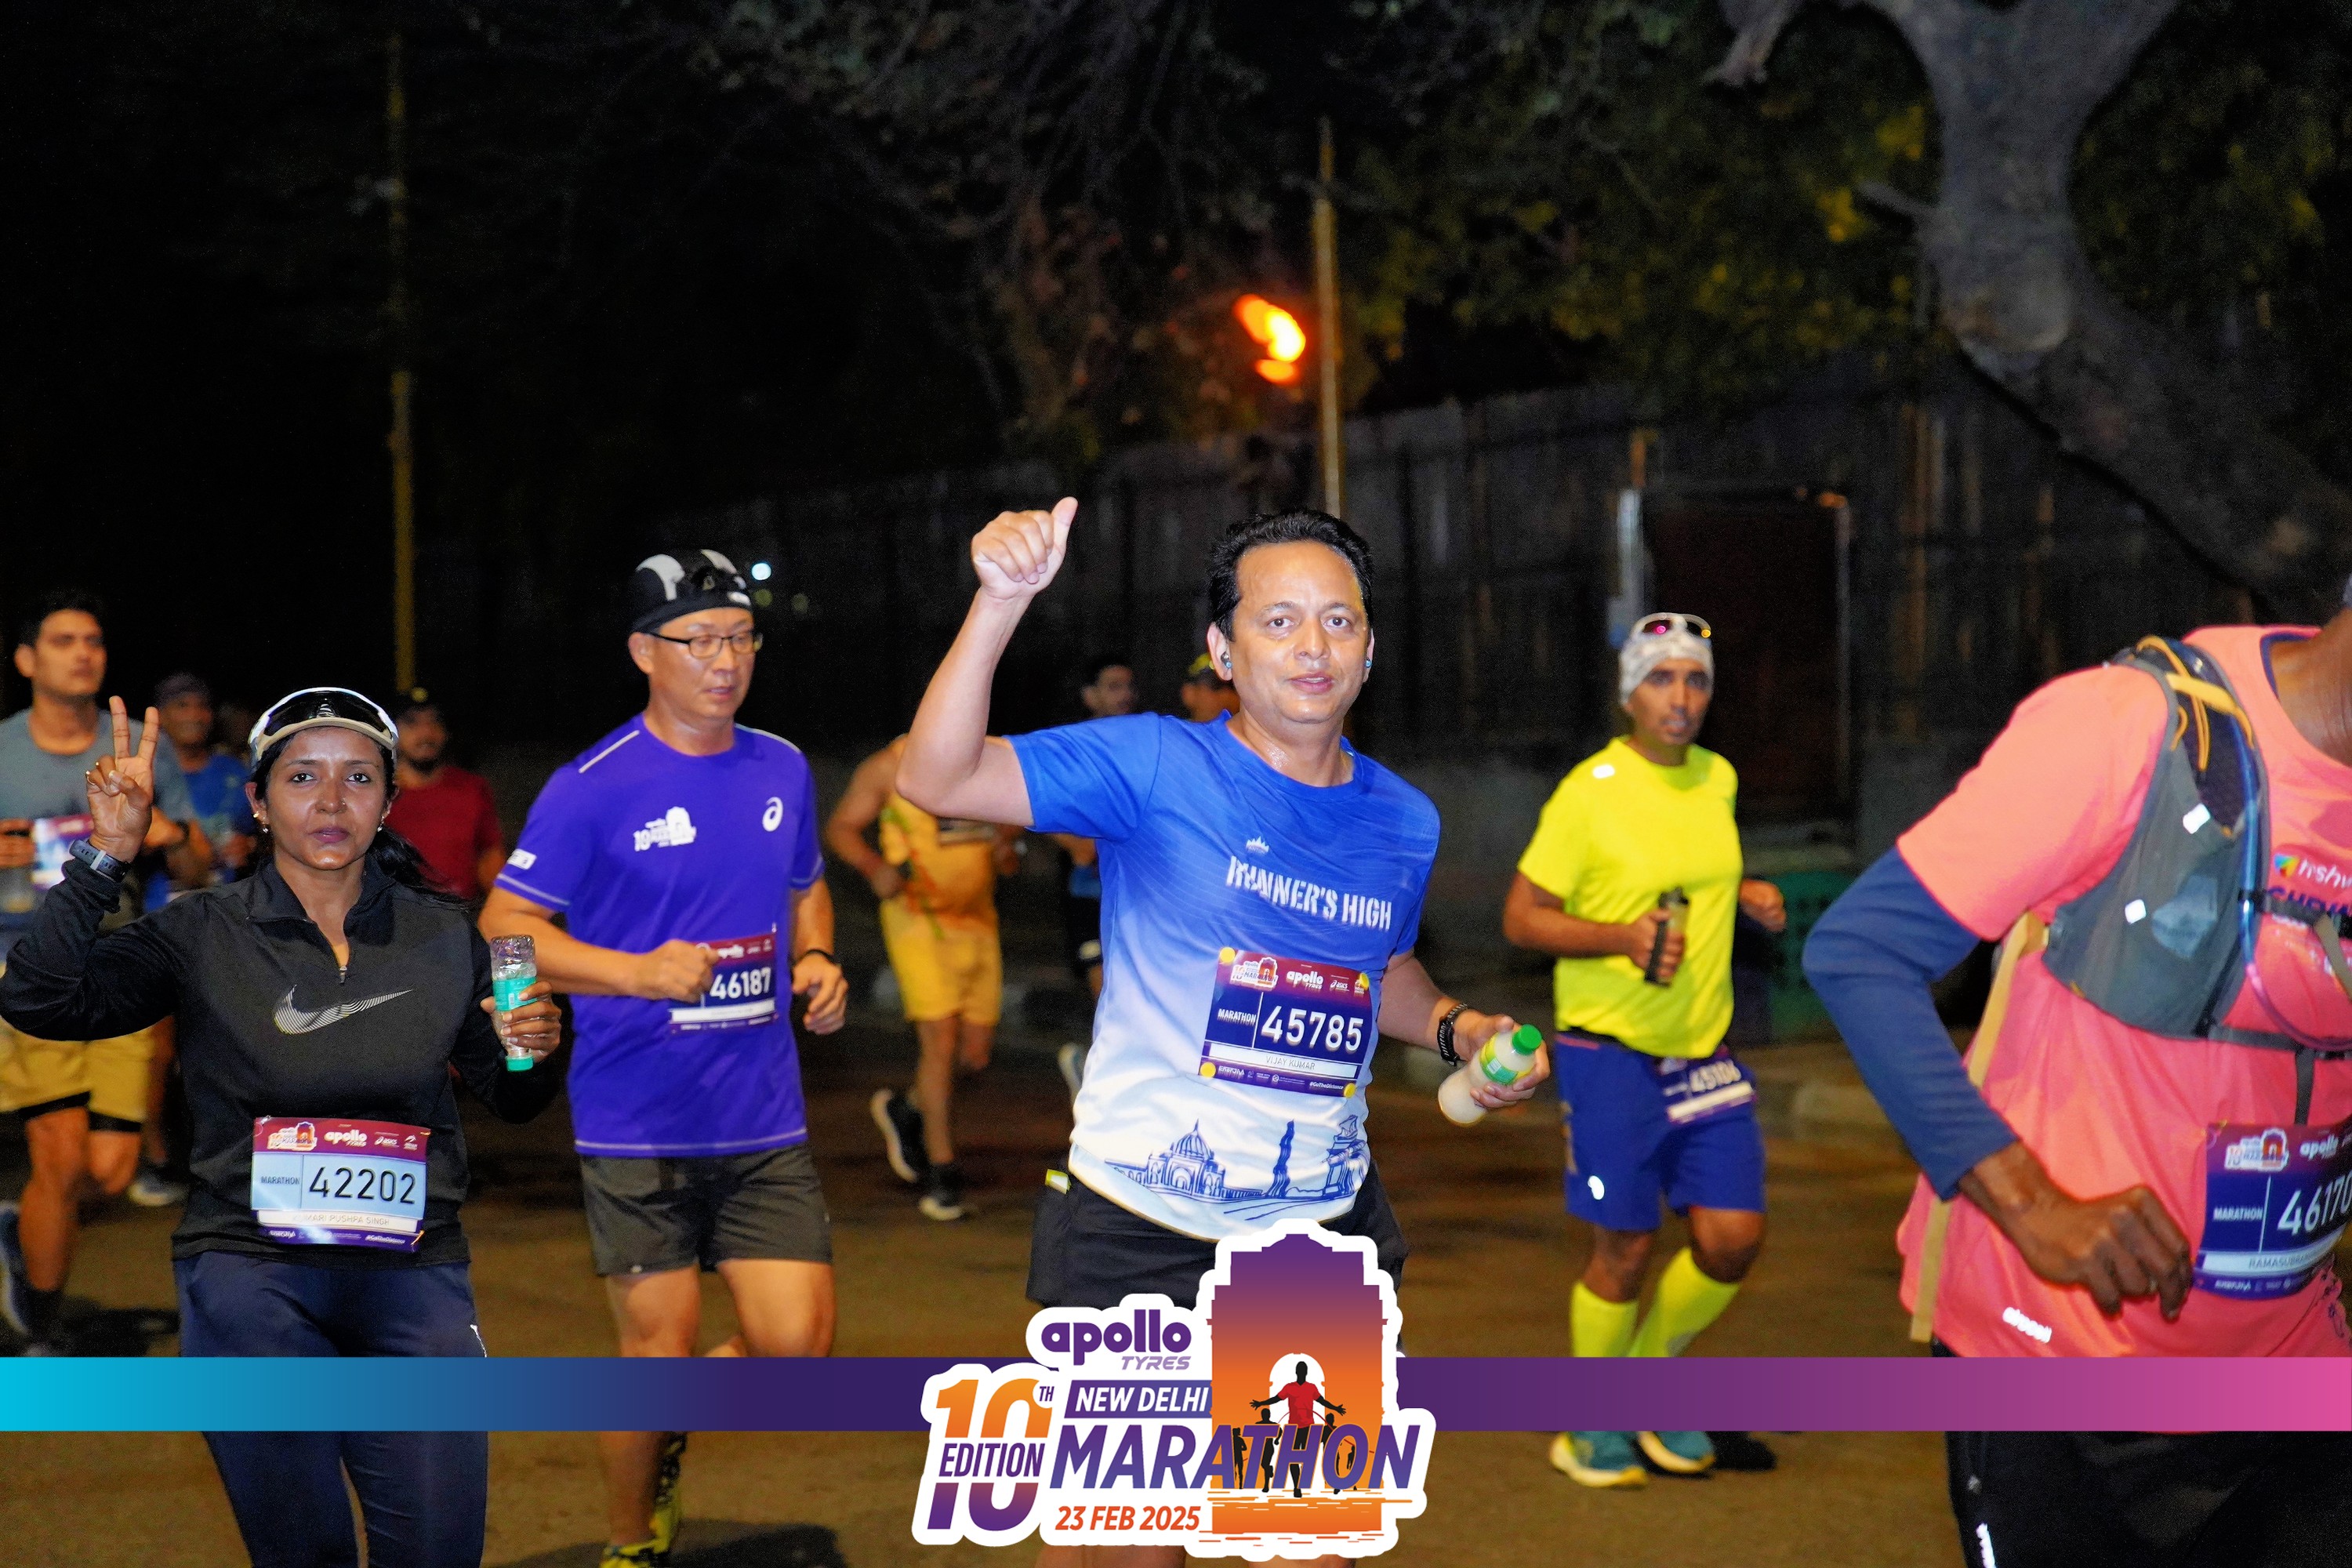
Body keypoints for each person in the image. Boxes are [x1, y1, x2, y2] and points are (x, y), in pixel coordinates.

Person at [898, 501, 1545, 1568]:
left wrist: (1457, 1025)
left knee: (1309, 1541)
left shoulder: (1403, 820)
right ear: (1223, 649)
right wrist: (999, 604)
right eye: (1278, 620)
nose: (1312, 645)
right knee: (1130, 1545)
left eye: (1338, 620)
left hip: (1316, 1230)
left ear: (1370, 647)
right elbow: (937, 778)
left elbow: (1377, 971)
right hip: (1142, 1223)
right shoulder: (1155, 764)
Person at [1805, 598, 2352, 1565]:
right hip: (2064, 1363)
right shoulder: (2133, 729)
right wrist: (2030, 1199)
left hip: (2294, 1364)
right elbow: (1860, 951)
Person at [0, 688, 566, 1566]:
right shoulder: (201, 931)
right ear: (258, 802)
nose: (331, 800)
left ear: (388, 800)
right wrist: (105, 855)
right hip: (251, 1277)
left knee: (439, 1549)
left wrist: (540, 1046)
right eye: (302, 777)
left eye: (358, 778)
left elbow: (514, 1095)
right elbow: (38, 997)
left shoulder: (445, 935)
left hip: (412, 1275)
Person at [479, 549, 850, 1568]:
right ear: (645, 652)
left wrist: (817, 957)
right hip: (635, 1120)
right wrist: (616, 982)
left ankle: (667, 1424)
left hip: (762, 1116)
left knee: (798, 1356)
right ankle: (630, 1538)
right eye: (700, 640)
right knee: (655, 1348)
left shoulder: (781, 766)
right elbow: (504, 927)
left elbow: (806, 884)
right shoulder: (591, 787)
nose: (726, 661)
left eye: (740, 637)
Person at [1501, 612, 1787, 1488]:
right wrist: (1621, 939)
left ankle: (1649, 1384)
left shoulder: (1717, 778)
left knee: (1733, 1237)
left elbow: (1691, 868)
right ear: (1630, 692)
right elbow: (1522, 916)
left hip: (1703, 1052)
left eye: (1696, 679)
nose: (1681, 697)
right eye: (1661, 678)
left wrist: (1743, 890)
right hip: (1609, 1053)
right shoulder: (1589, 790)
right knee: (1624, 1247)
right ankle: (1592, 1424)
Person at [0, 591, 209, 1353]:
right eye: (63, 640)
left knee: (112, 1169)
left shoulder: (139, 749)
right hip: (26, 965)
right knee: (58, 1156)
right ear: (27, 660)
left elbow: (198, 865)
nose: (83, 652)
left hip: (119, 965)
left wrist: (170, 833)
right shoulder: (3, 751)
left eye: (92, 639)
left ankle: (21, 1236)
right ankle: (39, 1332)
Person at [826, 737, 1020, 1222]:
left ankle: (910, 1111)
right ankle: (942, 1177)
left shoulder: (986, 757)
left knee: (973, 1057)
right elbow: (842, 827)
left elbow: (1013, 824)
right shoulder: (888, 767)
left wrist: (1007, 846)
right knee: (940, 1041)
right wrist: (875, 867)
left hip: (977, 922)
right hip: (917, 921)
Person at [133, 673, 260, 1207]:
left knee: (228, 1044)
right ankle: (156, 1157)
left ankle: (232, 1160)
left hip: (224, 921)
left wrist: (251, 846)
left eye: (201, 705)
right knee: (158, 1048)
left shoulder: (236, 773)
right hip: (160, 919)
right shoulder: (148, 775)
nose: (194, 714)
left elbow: (265, 833)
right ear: (159, 715)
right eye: (180, 705)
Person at [1051, 654, 1138, 1100]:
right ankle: (1100, 1084)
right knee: (1107, 990)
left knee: (1134, 996)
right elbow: (1036, 804)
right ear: (1090, 696)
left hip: (1137, 895)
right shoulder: (1073, 748)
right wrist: (1074, 843)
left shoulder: (1144, 743)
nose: (1125, 695)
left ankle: (1096, 1073)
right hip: (1087, 893)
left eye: (1128, 686)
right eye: (1113, 686)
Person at [385, 699, 504, 902]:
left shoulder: (471, 787)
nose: (426, 733)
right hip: (396, 912)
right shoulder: (378, 793)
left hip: (460, 911)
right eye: (412, 723)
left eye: (434, 721)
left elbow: (489, 856)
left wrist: (502, 908)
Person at [1178, 651, 1238, 724]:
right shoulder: (1174, 730)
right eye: (1216, 685)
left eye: (1232, 685)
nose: (1226, 694)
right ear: (1189, 693)